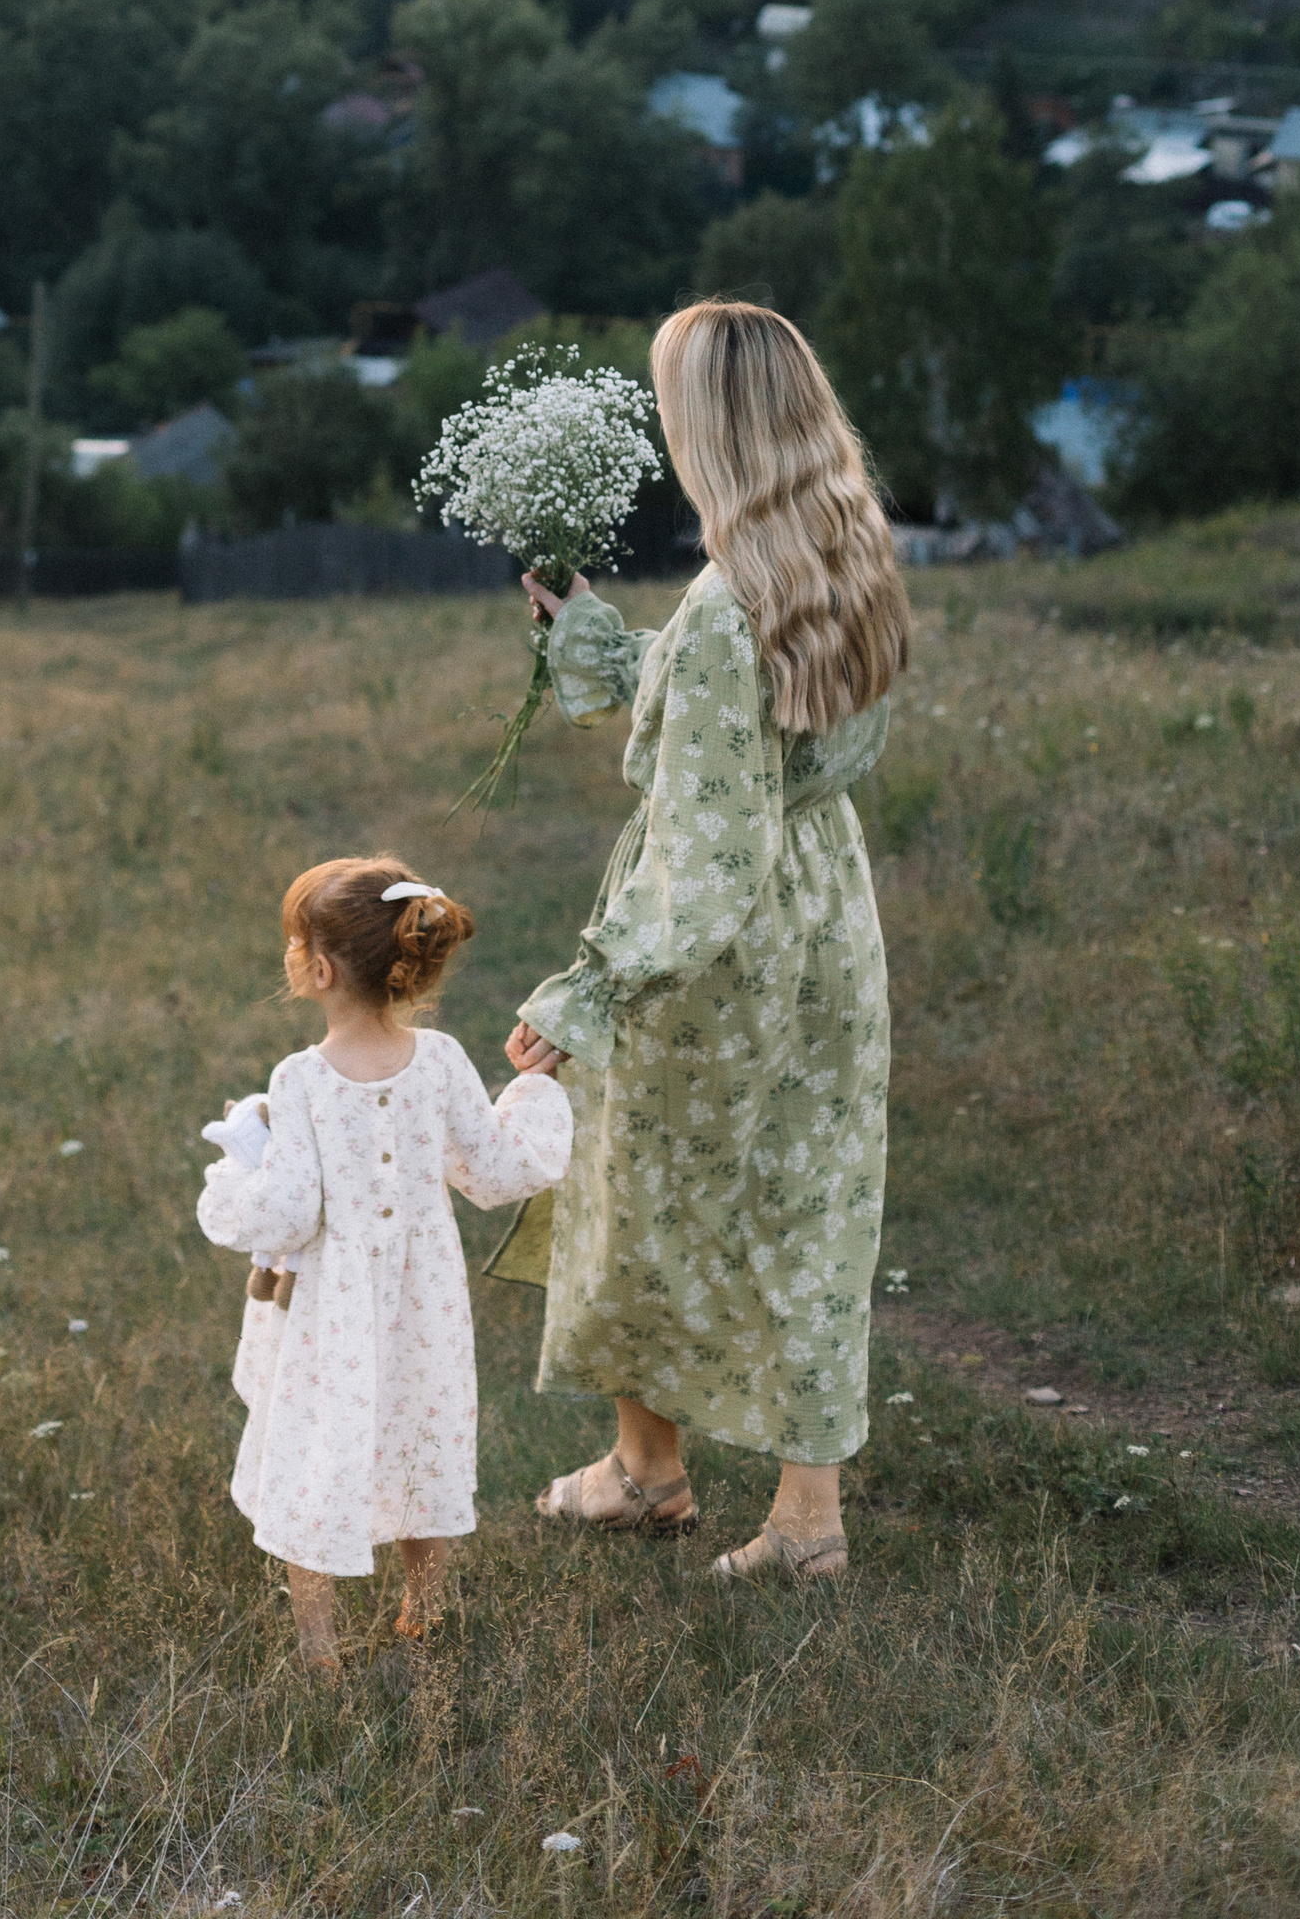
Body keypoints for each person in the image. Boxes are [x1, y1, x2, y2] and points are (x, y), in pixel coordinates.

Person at [504, 298, 906, 1587]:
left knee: (646, 1199)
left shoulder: (735, 600)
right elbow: (734, 730)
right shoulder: (838, 553)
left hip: (719, 946)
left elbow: (705, 841)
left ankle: (755, 1514)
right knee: (804, 1200)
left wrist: (589, 990)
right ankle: (680, 1482)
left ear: (714, 427)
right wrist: (596, 641)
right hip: (824, 922)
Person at [196, 855, 573, 1675]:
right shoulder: (438, 1061)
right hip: (425, 1299)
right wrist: (533, 1091)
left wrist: (230, 1177)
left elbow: (288, 1211)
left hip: (335, 1308)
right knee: (420, 1429)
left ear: (319, 968)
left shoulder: (299, 1082)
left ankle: (318, 1647)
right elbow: (496, 1170)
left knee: (318, 1449)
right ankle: (426, 1606)